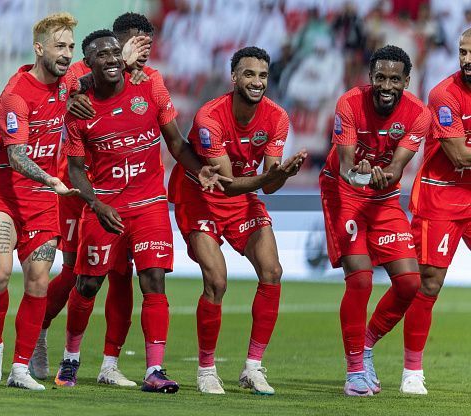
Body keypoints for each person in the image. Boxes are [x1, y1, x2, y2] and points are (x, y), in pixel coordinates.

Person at [57, 29, 229, 393]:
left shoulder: (150, 87)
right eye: (101, 54)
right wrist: (96, 204)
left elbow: (176, 142)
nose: (110, 59)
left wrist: (200, 170)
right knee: (88, 284)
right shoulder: (79, 109)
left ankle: (154, 369)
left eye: (114, 52)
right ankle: (70, 358)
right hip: (105, 205)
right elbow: (75, 169)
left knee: (154, 280)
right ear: (88, 64)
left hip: (150, 204)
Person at [168, 46, 306, 395]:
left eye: (262, 75)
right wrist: (272, 177)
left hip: (242, 196)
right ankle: (206, 370)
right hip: (200, 196)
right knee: (216, 281)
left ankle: (253, 368)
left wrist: (282, 175)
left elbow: (269, 185)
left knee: (272, 271)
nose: (257, 82)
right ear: (233, 78)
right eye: (249, 74)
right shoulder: (209, 118)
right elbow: (226, 184)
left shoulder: (277, 117)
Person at [31, 12, 154, 388]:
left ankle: (110, 363)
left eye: (146, 46)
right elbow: (64, 92)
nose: (140, 52)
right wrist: (80, 91)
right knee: (75, 274)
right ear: (115, 44)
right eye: (134, 44)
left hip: (124, 193)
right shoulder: (79, 73)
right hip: (77, 190)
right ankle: (37, 332)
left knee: (122, 273)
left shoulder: (145, 80)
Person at [0, 12, 80, 391]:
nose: (67, 53)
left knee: (38, 281)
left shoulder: (68, 82)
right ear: (38, 48)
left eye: (70, 46)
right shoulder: (15, 96)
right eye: (59, 46)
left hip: (41, 199)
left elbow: (97, 73)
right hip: (2, 190)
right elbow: (17, 156)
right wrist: (51, 178)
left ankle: (19, 368)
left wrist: (127, 59)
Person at [319, 45, 430, 396]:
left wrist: (381, 176)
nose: (386, 85)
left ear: (406, 81)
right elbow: (346, 166)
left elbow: (397, 168)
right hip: (344, 192)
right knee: (361, 278)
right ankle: (354, 370)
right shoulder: (349, 103)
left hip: (383, 198)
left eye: (394, 79)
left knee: (410, 283)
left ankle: (366, 344)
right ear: (370, 77)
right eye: (380, 77)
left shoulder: (419, 114)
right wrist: (360, 173)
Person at [402, 29, 471, 395]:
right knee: (428, 283)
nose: (467, 59)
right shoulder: (444, 94)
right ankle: (412, 371)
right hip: (441, 196)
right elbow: (459, 154)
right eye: (463, 52)